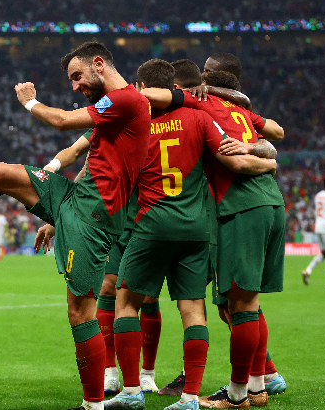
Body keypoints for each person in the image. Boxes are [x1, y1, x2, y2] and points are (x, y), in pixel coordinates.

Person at [0, 41, 151, 410]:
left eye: (77, 76)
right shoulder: (114, 110)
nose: (75, 85)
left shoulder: (126, 100)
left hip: (95, 216)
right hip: (75, 199)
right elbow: (89, 161)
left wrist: (30, 102)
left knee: (80, 311)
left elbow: (62, 120)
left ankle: (93, 404)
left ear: (99, 64)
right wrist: (56, 215)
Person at [108, 59, 277, 410]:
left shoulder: (137, 121)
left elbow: (112, 171)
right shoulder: (201, 117)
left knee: (125, 303)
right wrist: (270, 162)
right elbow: (251, 149)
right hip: (198, 227)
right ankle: (192, 397)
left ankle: (131, 390)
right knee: (198, 310)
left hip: (154, 223)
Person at [156, 60, 287, 399]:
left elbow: (245, 157)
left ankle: (238, 392)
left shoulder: (198, 104)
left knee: (237, 304)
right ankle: (261, 380)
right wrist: (265, 157)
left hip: (232, 208)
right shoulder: (238, 109)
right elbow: (274, 140)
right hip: (264, 202)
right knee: (240, 302)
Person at [35, 132, 159, 397]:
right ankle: (109, 372)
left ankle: (147, 374)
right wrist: (57, 218)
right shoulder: (106, 125)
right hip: (109, 219)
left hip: (148, 219)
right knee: (106, 287)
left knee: (147, 296)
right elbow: (83, 168)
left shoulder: (154, 125)